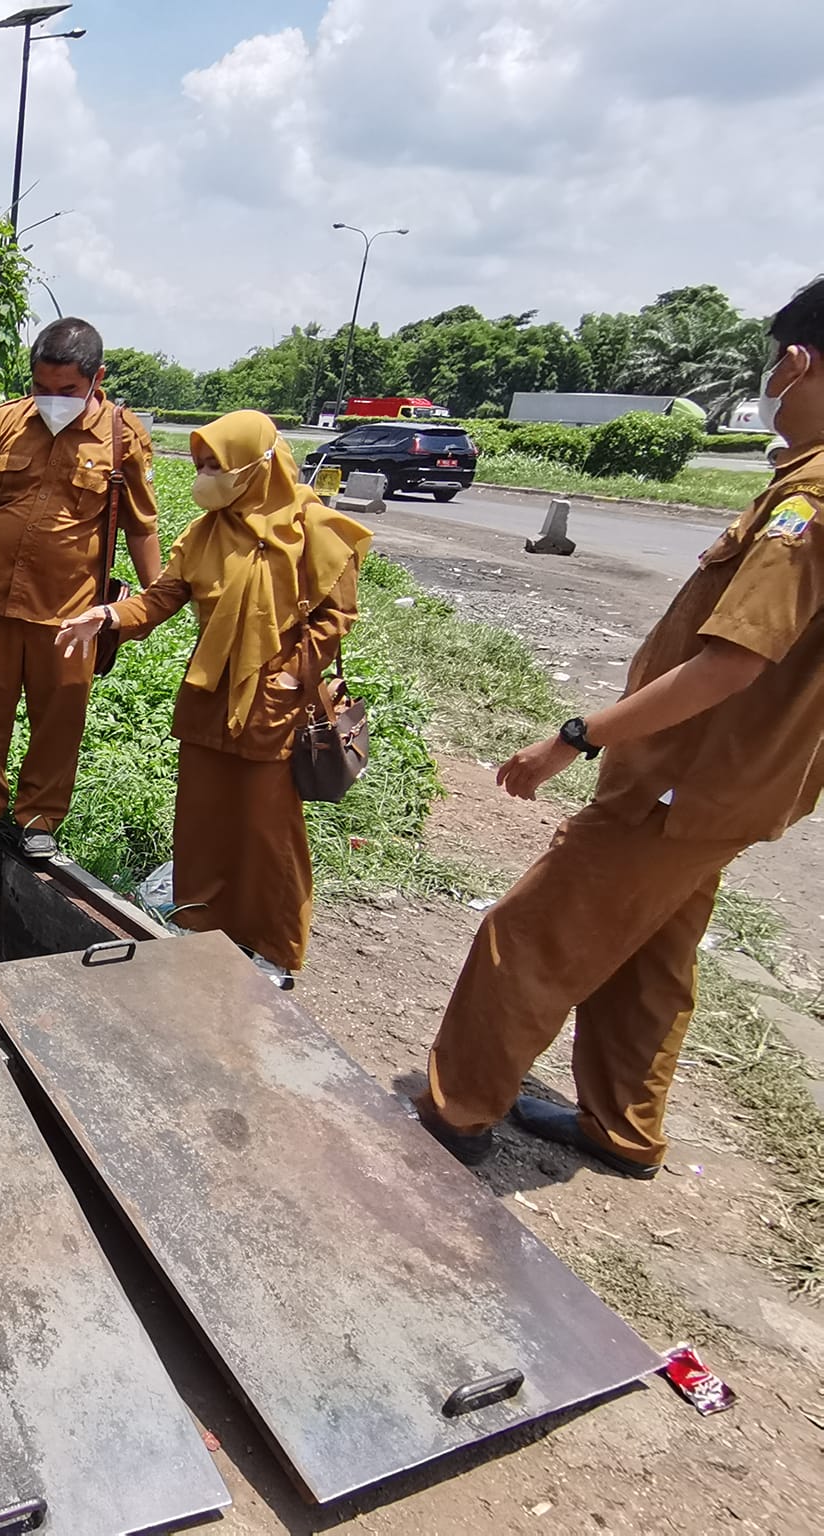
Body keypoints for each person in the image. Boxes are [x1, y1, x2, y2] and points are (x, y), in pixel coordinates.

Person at [414, 274, 824, 1179]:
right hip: (734, 793)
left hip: (679, 788)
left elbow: (733, 661)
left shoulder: (808, 501)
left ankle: (454, 1116)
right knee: (650, 959)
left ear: (796, 361)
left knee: (525, 936)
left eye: (774, 368)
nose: (771, 386)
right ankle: (622, 1126)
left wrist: (577, 734)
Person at [57, 410, 372, 982]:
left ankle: (273, 949)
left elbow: (335, 618)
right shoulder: (204, 535)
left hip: (271, 707)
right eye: (200, 465)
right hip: (208, 700)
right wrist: (106, 616)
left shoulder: (319, 534)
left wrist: (290, 676)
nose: (204, 477)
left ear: (256, 467)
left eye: (214, 466)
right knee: (202, 824)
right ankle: (204, 935)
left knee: (266, 833)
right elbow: (159, 600)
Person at [0, 317, 161, 859]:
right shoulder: (5, 423)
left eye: (66, 391)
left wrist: (155, 600)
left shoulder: (121, 436)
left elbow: (139, 525)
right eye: (41, 387)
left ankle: (38, 818)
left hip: (69, 611)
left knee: (59, 717)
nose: (51, 400)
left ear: (95, 378)